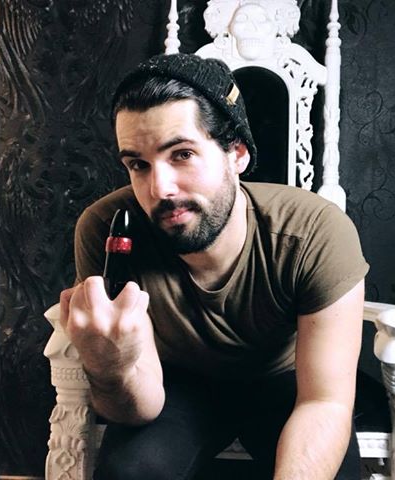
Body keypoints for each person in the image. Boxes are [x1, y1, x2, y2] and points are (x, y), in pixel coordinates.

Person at [59, 53, 369, 480]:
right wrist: (110, 365)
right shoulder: (108, 230)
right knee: (130, 472)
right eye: (138, 165)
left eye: (182, 154)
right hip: (176, 386)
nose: (159, 188)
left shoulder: (316, 232)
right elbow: (138, 407)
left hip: (287, 383)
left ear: (236, 153)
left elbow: (325, 402)